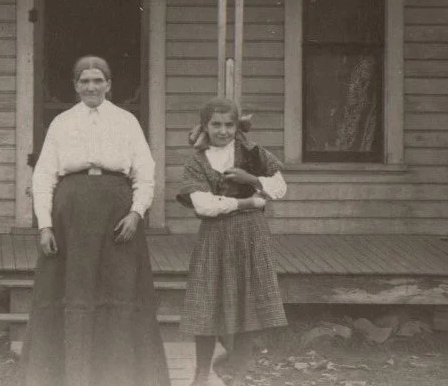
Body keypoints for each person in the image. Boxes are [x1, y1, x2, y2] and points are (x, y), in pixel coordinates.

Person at [21, 55, 170, 386]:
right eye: (84, 81)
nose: (91, 86)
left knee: (118, 288)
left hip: (117, 212)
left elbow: (145, 172)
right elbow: (44, 176)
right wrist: (44, 224)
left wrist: (136, 212)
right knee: (73, 291)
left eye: (98, 80)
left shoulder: (126, 121)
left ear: (109, 84)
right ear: (76, 86)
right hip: (70, 213)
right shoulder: (60, 123)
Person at [177, 99, 288, 386]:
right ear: (205, 126)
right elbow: (203, 206)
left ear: (237, 126)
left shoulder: (252, 153)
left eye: (229, 125)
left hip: (250, 236)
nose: (223, 131)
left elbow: (279, 188)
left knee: (246, 304)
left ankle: (238, 375)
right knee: (205, 303)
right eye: (216, 124)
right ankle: (202, 373)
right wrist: (249, 201)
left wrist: (250, 177)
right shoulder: (197, 161)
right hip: (214, 237)